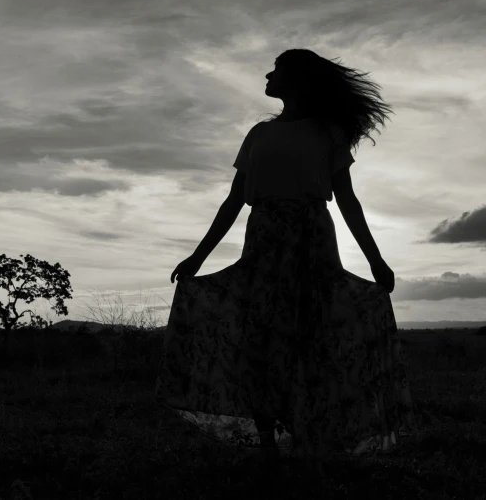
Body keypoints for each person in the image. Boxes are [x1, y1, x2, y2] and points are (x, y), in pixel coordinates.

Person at [155, 49, 419, 476]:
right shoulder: (258, 134)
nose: (267, 73)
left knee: (311, 338)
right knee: (260, 338)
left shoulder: (327, 133)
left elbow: (348, 200)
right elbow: (233, 201)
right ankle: (266, 444)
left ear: (297, 80)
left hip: (312, 237)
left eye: (276, 69)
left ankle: (307, 436)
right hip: (263, 239)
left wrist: (376, 259)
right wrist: (197, 256)